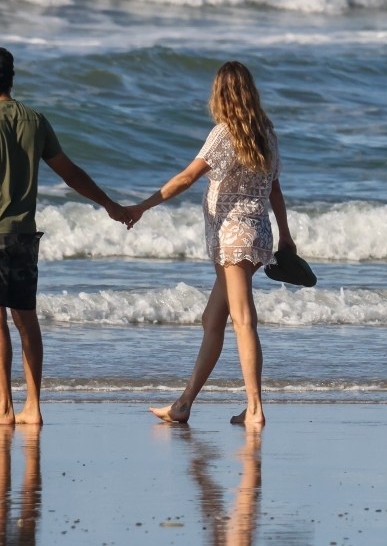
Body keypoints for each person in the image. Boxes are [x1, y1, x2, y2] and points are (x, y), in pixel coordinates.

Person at [0, 46, 130, 426]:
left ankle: (3, 408)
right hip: (23, 236)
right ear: (11, 80)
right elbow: (70, 172)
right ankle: (33, 407)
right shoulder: (34, 121)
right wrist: (108, 204)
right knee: (26, 319)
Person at [126, 61, 296, 426]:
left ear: (220, 94)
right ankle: (184, 403)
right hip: (258, 234)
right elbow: (275, 189)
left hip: (233, 238)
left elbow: (187, 177)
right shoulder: (266, 132)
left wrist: (143, 206)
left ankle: (255, 409)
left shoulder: (225, 133)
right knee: (212, 318)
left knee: (244, 320)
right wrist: (285, 235)